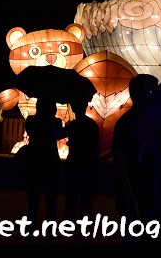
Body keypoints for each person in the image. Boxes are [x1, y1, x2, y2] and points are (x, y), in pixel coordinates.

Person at [111, 73, 161, 242]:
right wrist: (129, 196)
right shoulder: (127, 124)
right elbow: (120, 163)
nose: (154, 96)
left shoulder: (155, 121)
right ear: (136, 95)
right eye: (150, 92)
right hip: (136, 190)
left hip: (152, 191)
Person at [13, 97, 67, 228]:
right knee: (50, 202)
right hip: (50, 161)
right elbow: (59, 135)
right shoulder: (55, 122)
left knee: (33, 200)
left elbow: (32, 132)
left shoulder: (32, 120)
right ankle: (49, 234)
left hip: (35, 160)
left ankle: (30, 232)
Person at [62, 94, 100, 225]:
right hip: (88, 164)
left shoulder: (72, 125)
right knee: (86, 197)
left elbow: (58, 134)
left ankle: (70, 222)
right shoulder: (92, 125)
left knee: (71, 196)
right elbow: (95, 145)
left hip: (73, 162)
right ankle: (86, 223)